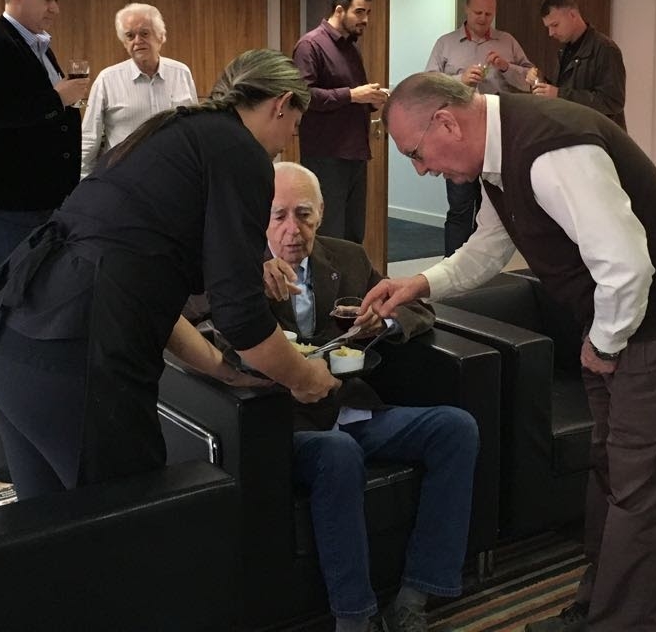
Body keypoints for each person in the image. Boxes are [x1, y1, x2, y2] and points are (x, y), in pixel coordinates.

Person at [362, 73, 656, 632]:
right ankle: (595, 609)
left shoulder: (552, 150)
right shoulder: (496, 160)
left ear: (447, 122)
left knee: (644, 488)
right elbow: (489, 246)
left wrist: (603, 344)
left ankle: (623, 624)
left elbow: (627, 268)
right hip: (617, 319)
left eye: (415, 153)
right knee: (610, 470)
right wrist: (421, 284)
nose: (420, 169)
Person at [0, 49, 340, 501]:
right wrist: (304, 377)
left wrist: (223, 370)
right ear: (281, 104)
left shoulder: (172, 134)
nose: (286, 142)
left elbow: (153, 297)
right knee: (134, 524)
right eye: (293, 127)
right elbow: (241, 315)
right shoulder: (239, 151)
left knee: (53, 531)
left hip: (8, 345)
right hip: (76, 360)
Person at [203, 161, 478, 632]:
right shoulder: (235, 270)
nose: (293, 230)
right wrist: (248, 288)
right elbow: (202, 330)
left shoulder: (347, 258)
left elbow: (417, 309)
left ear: (322, 214)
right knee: (337, 453)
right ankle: (354, 619)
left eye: (304, 214)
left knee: (456, 428)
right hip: (283, 423)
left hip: (352, 408)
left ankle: (416, 593)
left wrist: (383, 321)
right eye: (278, 216)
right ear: (259, 219)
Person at [0, 0, 88, 274]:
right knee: (18, 289)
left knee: (42, 286)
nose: (55, 9)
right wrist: (57, 99)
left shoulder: (37, 45)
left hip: (44, 197)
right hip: (12, 202)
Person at [424, 0, 533, 254]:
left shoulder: (507, 41)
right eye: (478, 13)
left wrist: (507, 67)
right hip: (457, 138)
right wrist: (458, 80)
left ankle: (486, 269)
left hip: (497, 137)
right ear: (466, 10)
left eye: (489, 14)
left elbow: (531, 80)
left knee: (496, 210)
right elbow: (427, 86)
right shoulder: (446, 43)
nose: (483, 19)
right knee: (460, 208)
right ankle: (452, 267)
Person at [292, 0, 388, 243]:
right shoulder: (310, 45)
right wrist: (352, 95)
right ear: (339, 10)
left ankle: (351, 274)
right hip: (326, 155)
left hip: (355, 152)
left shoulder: (351, 48)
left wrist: (372, 100)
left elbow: (354, 96)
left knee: (353, 235)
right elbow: (303, 95)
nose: (365, 19)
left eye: (368, 12)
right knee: (329, 235)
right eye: (359, 12)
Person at [80, 2, 198, 176]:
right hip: (123, 178)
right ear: (124, 42)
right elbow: (89, 138)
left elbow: (194, 128)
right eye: (130, 36)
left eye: (144, 33)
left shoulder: (181, 73)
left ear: (161, 36)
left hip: (173, 174)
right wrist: (84, 183)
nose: (137, 41)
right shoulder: (107, 80)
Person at [535, 0, 627, 130]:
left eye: (555, 25)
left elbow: (613, 102)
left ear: (572, 15)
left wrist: (559, 94)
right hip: (575, 134)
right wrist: (543, 82)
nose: (551, 33)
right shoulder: (564, 50)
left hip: (599, 136)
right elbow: (567, 88)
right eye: (548, 27)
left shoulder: (605, 49)